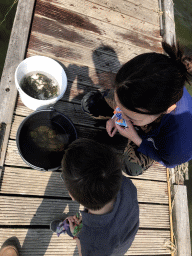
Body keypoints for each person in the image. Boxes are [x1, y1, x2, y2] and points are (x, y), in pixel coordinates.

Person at [81, 42, 192, 175]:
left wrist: (135, 137)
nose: (121, 116)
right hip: (143, 111)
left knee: (131, 167)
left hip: (156, 138)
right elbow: (125, 107)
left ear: (167, 109)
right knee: (90, 104)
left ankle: (139, 132)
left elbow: (166, 161)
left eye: (130, 117)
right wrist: (116, 115)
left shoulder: (178, 148)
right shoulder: (148, 77)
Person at [51, 138, 139, 256]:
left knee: (75, 229)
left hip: (108, 249)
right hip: (125, 229)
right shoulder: (126, 184)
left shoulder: (92, 242)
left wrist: (77, 235)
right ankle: (70, 227)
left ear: (72, 195)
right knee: (79, 225)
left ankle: (69, 229)